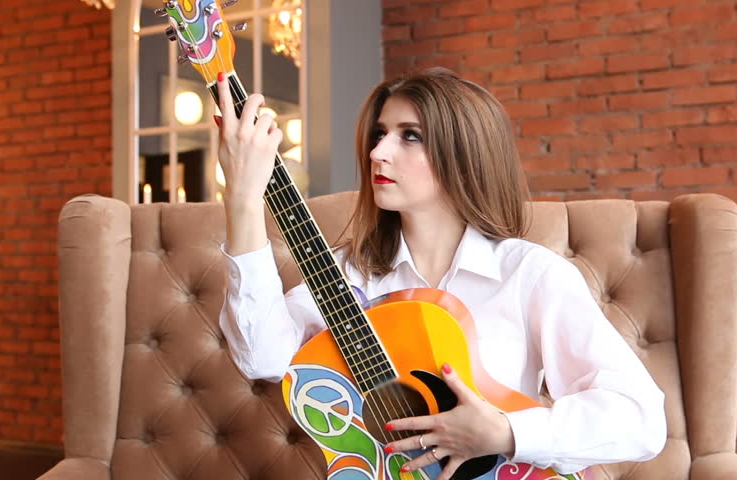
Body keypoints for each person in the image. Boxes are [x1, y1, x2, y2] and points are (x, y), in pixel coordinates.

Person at [215, 67, 666, 479]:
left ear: (464, 155)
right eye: (380, 134)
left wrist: (505, 432)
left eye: (409, 136)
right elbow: (262, 358)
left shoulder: (528, 274)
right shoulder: (345, 273)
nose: (377, 152)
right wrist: (243, 200)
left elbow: (641, 418)